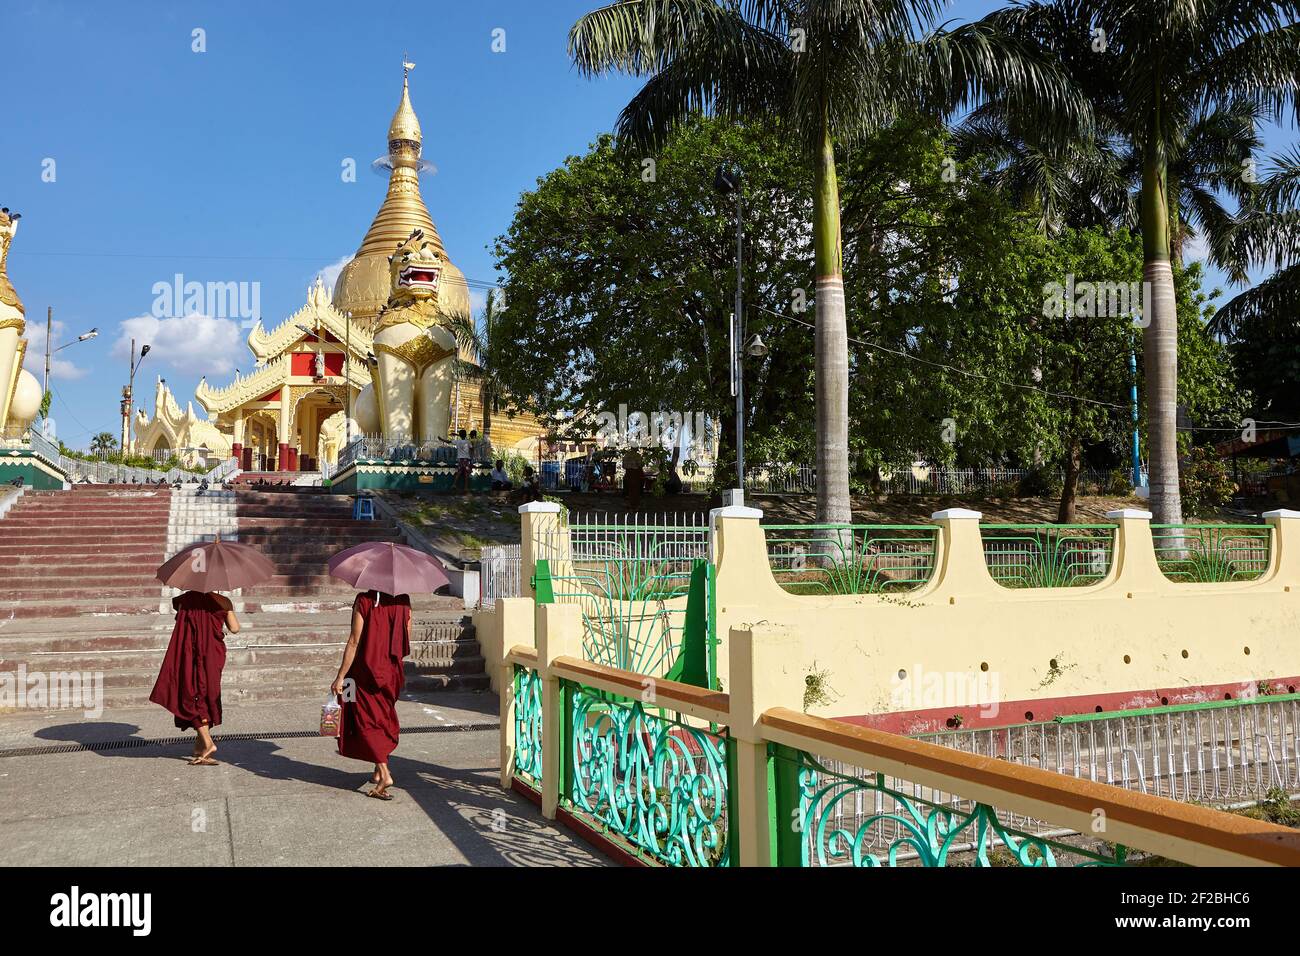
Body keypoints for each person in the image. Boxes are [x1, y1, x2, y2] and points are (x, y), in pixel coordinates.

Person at [331, 589, 412, 800]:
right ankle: (378, 771)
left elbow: (354, 641)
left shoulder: (364, 600)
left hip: (365, 673)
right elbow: (406, 639)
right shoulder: (404, 600)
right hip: (392, 673)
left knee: (365, 720)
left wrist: (340, 677)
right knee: (382, 718)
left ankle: (385, 775)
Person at [148, 590, 240, 766]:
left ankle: (208, 743)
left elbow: (182, 626)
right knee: (205, 694)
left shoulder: (185, 600)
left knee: (191, 693)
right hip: (213, 654)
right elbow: (235, 629)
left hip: (189, 654)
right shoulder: (223, 601)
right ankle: (201, 746)